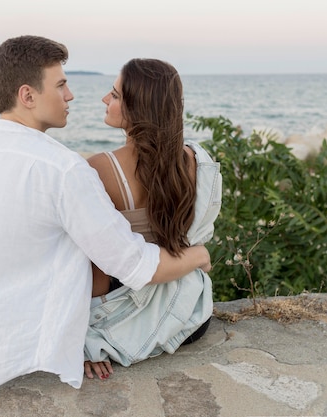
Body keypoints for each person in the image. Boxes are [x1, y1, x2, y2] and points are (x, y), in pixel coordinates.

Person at [0, 36, 211, 393]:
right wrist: (198, 255)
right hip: (17, 344)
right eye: (61, 85)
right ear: (28, 96)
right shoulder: (64, 170)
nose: (70, 95)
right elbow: (132, 265)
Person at [83, 58, 222, 380]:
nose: (105, 99)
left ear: (137, 109)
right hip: (191, 314)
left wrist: (91, 339)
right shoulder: (197, 160)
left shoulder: (101, 168)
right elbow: (196, 233)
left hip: (127, 314)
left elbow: (98, 262)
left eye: (115, 95)